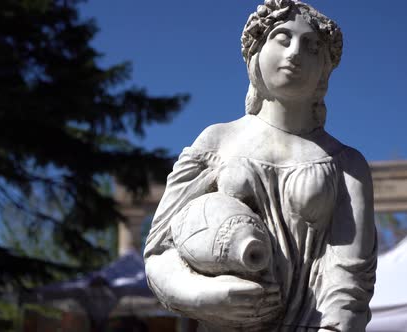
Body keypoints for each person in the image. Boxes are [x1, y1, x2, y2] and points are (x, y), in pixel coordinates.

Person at [144, 1, 377, 331]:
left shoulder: (347, 165)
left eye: (311, 47)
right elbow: (160, 253)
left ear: (325, 69)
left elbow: (350, 281)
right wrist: (206, 296)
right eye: (283, 38)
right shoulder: (216, 141)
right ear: (256, 52)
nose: (295, 53)